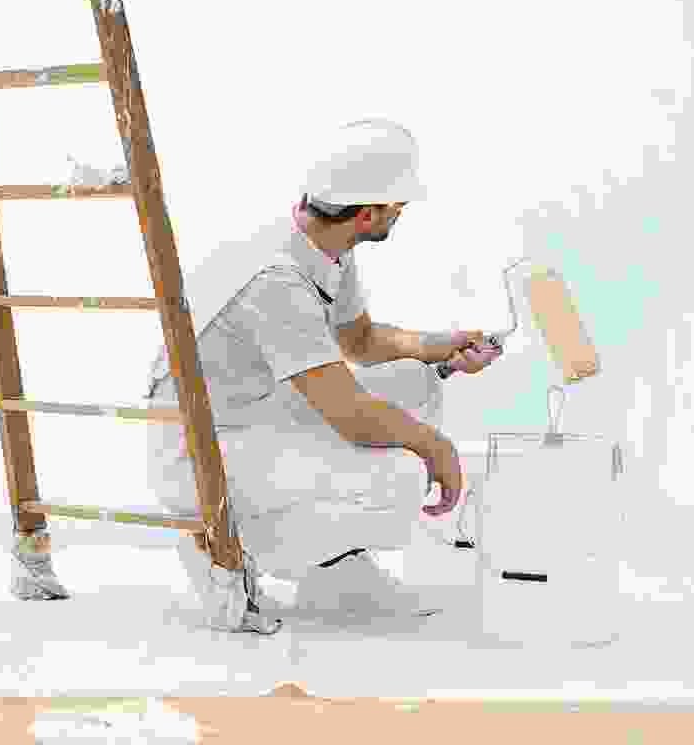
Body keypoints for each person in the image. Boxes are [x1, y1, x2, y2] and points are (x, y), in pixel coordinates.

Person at [143, 119, 503, 633]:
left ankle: (337, 572)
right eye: (398, 206)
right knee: (401, 476)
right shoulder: (275, 280)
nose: (401, 213)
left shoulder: (322, 245)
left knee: (413, 381)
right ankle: (221, 547)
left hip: (246, 412)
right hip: (198, 453)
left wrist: (440, 351)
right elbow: (350, 416)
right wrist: (436, 447)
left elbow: (360, 342)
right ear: (368, 213)